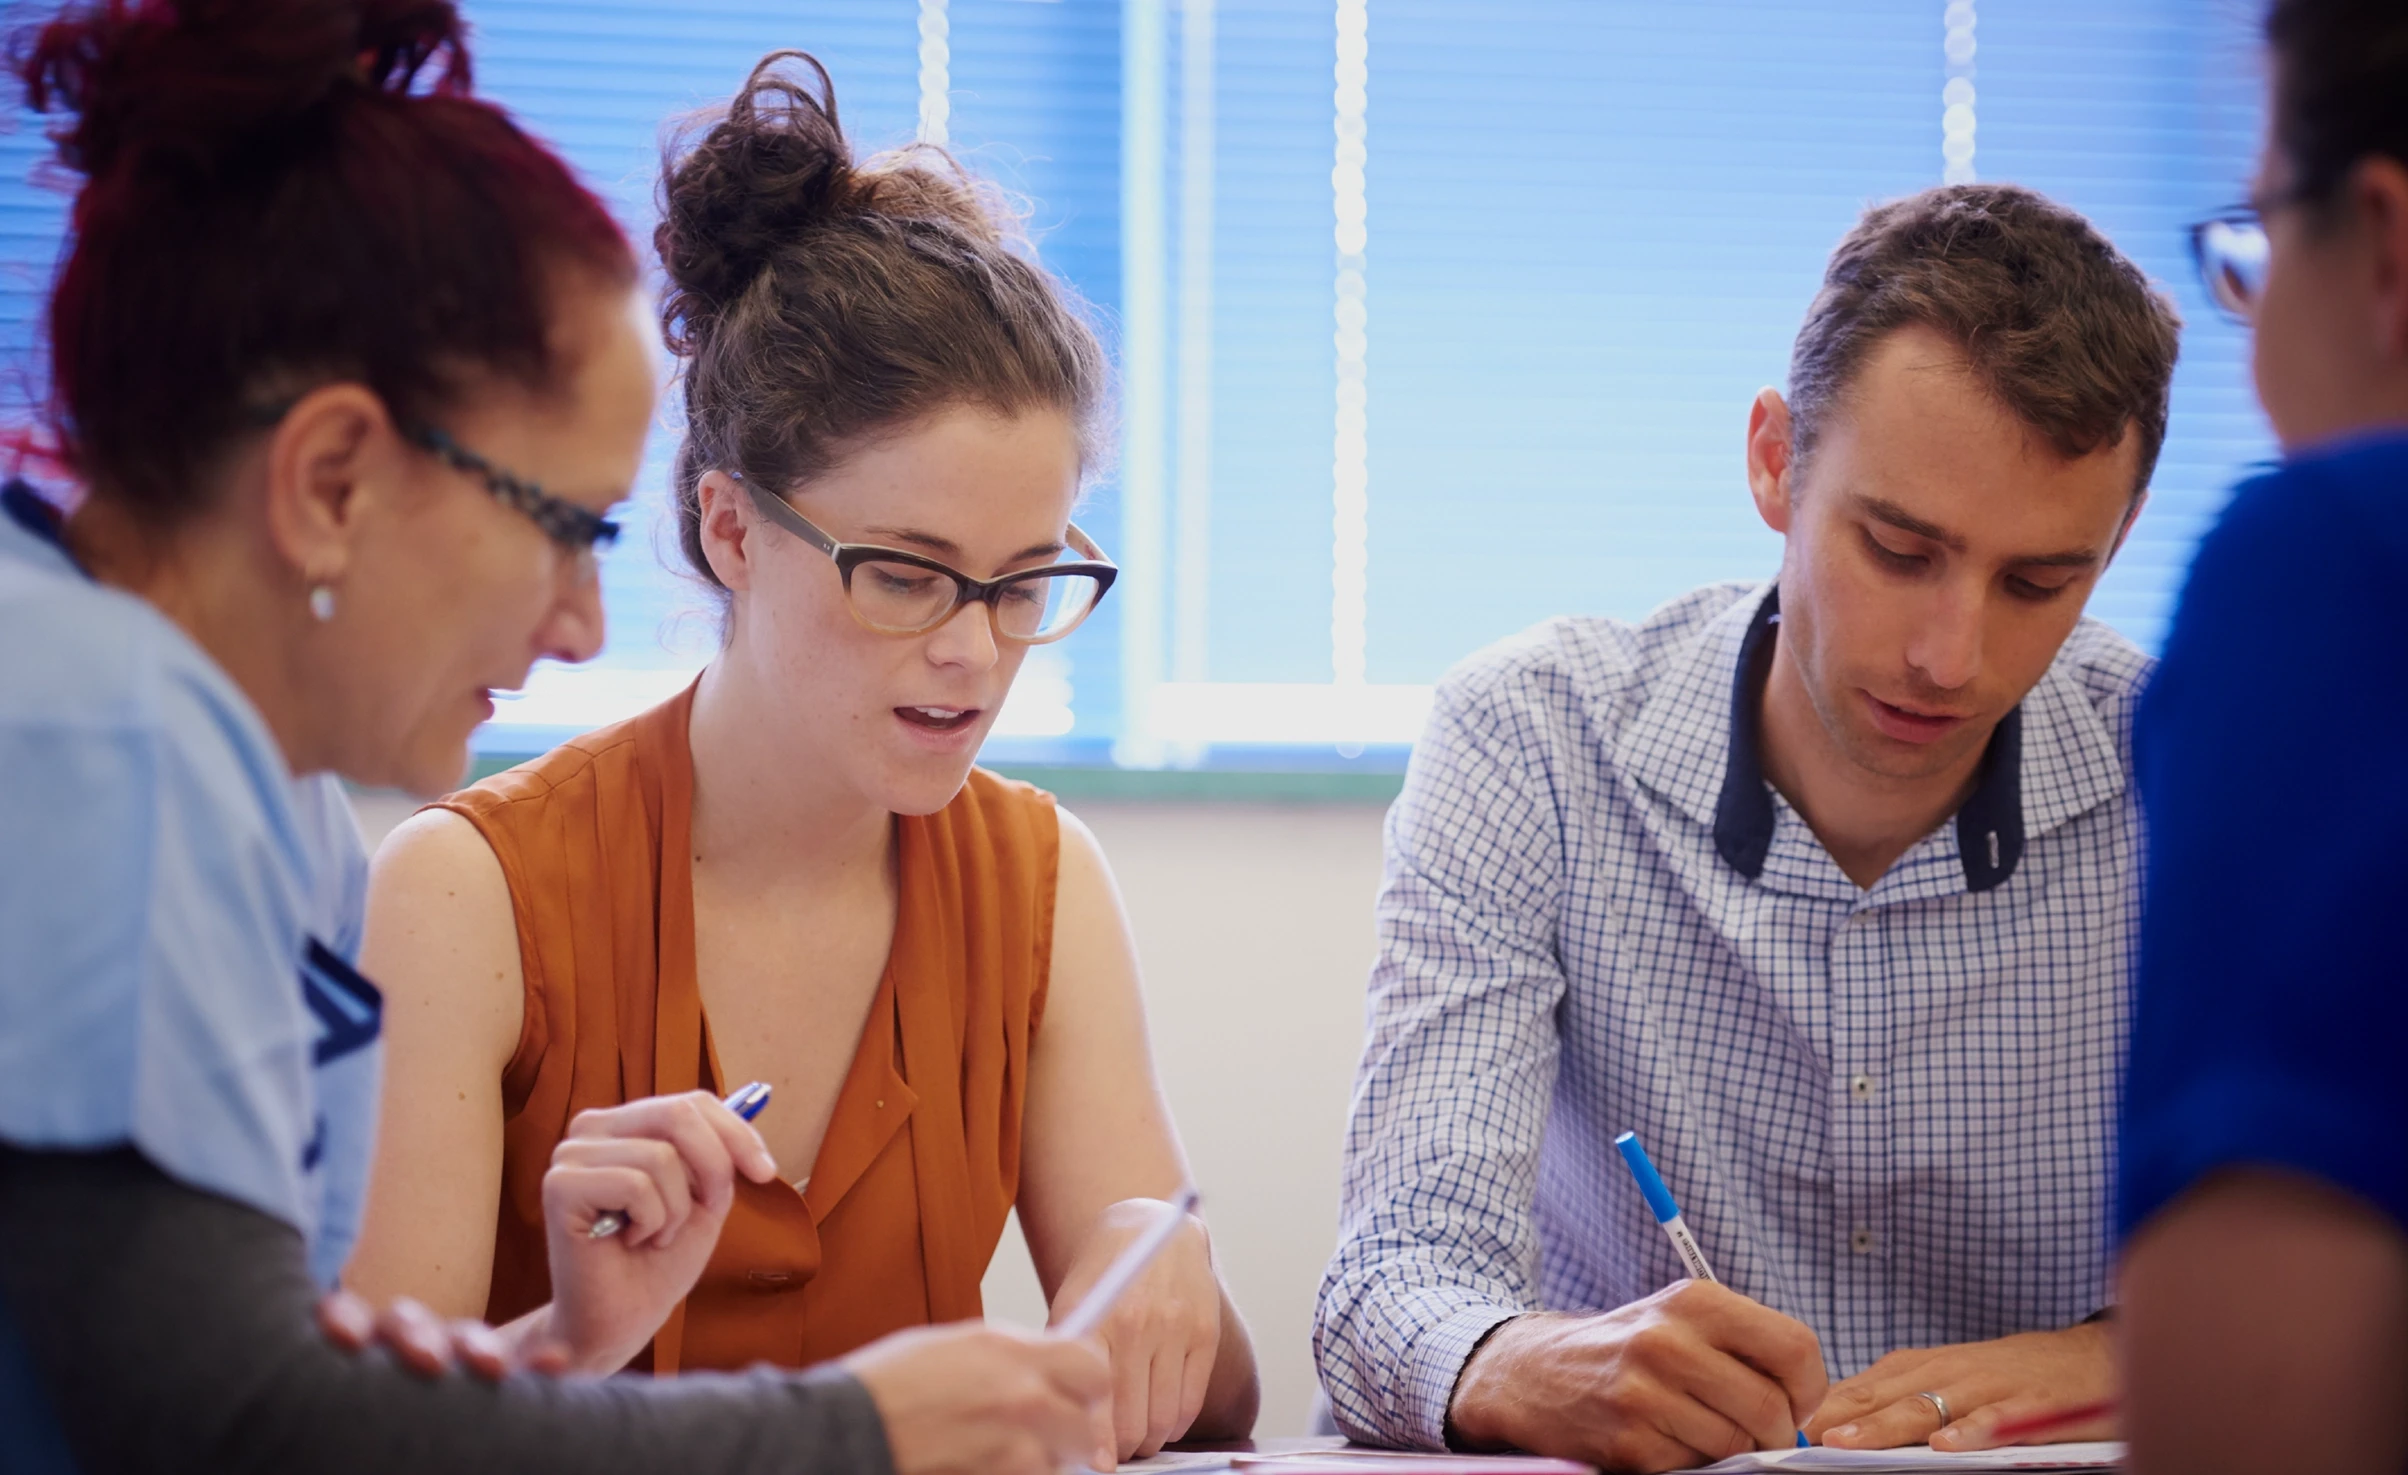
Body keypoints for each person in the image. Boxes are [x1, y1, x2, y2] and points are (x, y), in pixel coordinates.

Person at [0, 3, 1109, 1472]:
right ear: (333, 479)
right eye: (561, 529)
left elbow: (272, 1389)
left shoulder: (251, 797)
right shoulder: (96, 741)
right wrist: (858, 1430)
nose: (586, 625)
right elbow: (231, 1424)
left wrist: (559, 1351)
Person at [345, 51, 1259, 1469]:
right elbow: (361, 1443)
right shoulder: (467, 891)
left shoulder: (1039, 881)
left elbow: (1203, 1415)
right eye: (906, 574)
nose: (975, 652)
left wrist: (1159, 1255)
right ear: (731, 530)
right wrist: (571, 1343)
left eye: (1028, 581)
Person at [1314, 182, 2184, 1474]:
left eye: (2038, 582)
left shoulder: (2190, 770)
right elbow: (1390, 1278)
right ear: (1776, 461)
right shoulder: (1533, 739)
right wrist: (1521, 1359)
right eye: (1898, 548)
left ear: (2109, 552)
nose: (1952, 654)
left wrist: (2131, 1352)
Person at [2116, 4, 2408, 1473]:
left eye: (2258, 245)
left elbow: (2255, 1419)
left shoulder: (2336, 572)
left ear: (2383, 239)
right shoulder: (1536, 723)